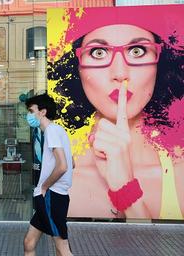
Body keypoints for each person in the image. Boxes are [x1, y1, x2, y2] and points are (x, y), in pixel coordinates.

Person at [47, 6, 184, 219]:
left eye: (137, 50)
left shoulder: (179, 171)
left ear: (160, 62)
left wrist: (125, 186)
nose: (120, 74)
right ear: (77, 68)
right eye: (98, 52)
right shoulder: (63, 177)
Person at [23, 93, 73, 256]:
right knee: (29, 243)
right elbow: (72, 163)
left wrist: (44, 187)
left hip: (51, 196)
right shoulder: (58, 130)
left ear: (42, 112)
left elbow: (63, 166)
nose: (29, 115)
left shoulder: (51, 130)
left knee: (62, 249)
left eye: (31, 111)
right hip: (52, 196)